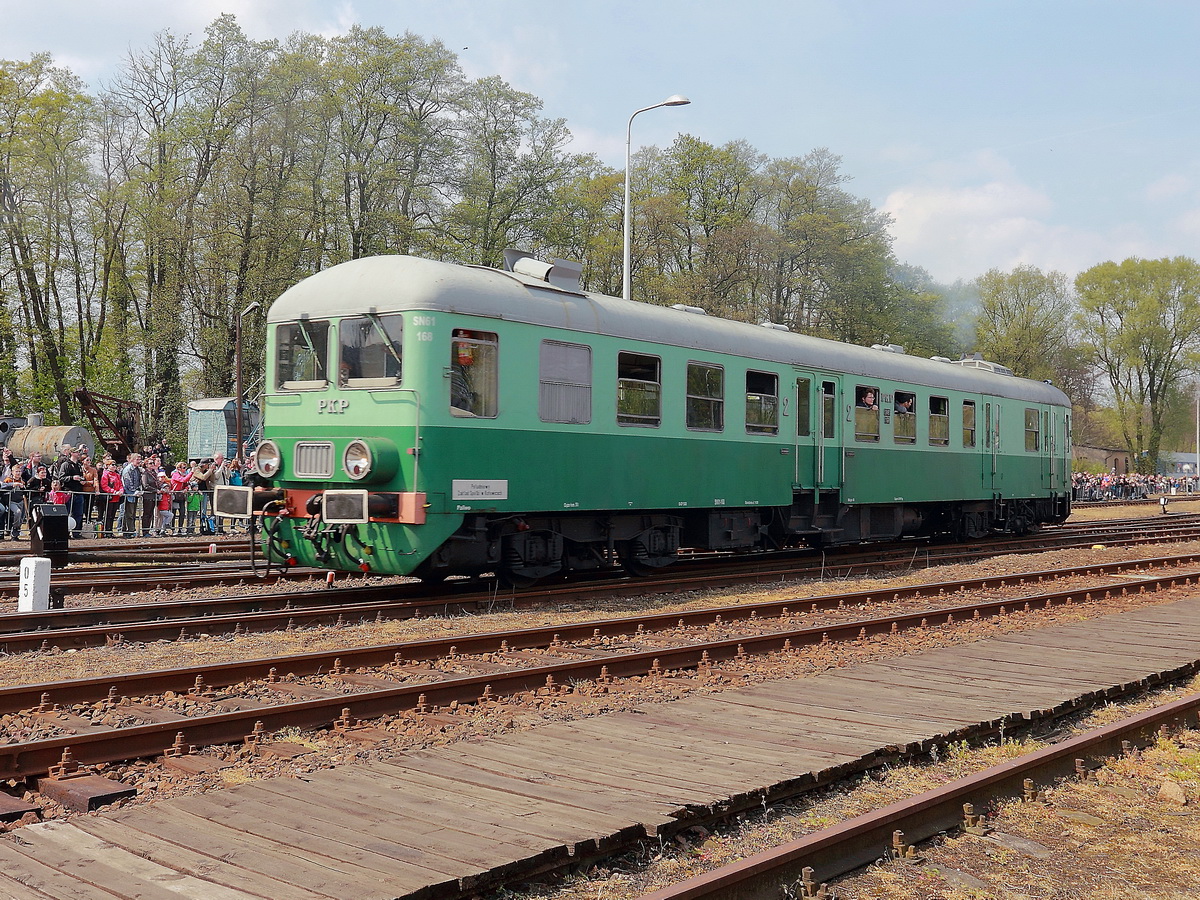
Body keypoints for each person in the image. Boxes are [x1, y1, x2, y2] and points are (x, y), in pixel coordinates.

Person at [99, 459, 124, 537]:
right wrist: (113, 491)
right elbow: (104, 486)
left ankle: (110, 530)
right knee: (108, 515)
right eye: (112, 465)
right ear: (107, 466)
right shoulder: (105, 474)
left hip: (116, 498)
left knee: (112, 515)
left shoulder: (117, 475)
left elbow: (120, 484)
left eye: (115, 465)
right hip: (109, 498)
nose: (114, 466)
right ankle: (107, 531)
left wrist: (121, 491)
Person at [120, 452, 143, 537]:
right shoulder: (128, 469)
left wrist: (139, 490)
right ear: (132, 460)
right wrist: (134, 491)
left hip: (135, 494)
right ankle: (128, 531)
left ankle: (131, 530)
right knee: (129, 513)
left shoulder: (137, 469)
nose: (139, 461)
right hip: (129, 494)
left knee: (133, 514)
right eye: (137, 459)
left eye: (140, 459)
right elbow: (127, 482)